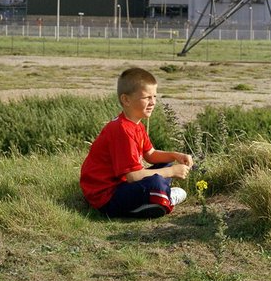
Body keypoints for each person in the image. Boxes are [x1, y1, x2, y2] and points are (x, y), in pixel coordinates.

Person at [80, 67, 194, 219]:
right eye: (147, 98)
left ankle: (155, 198)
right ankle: (164, 198)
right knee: (157, 181)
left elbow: (151, 155)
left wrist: (175, 156)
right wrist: (173, 172)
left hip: (121, 186)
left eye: (154, 96)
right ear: (126, 99)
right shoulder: (121, 130)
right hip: (106, 197)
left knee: (166, 164)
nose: (153, 102)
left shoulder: (136, 125)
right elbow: (133, 176)